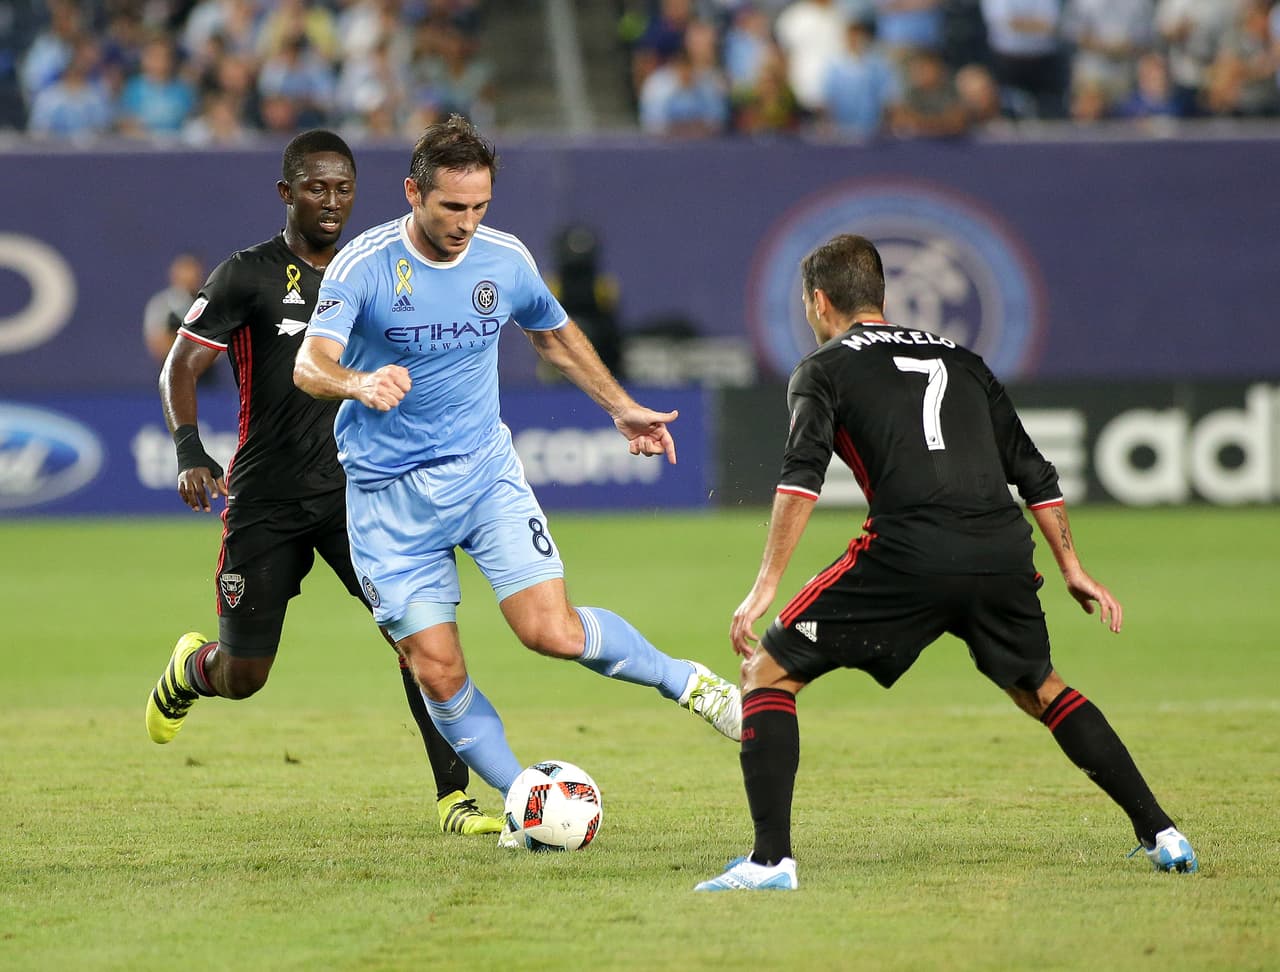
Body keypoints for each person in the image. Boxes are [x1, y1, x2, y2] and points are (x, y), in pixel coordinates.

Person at [695, 234, 1197, 891]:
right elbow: (1035, 472)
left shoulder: (822, 368)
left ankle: (770, 863)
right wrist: (1072, 567)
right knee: (1040, 687)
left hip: (911, 551)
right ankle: (1163, 833)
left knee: (767, 672)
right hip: (1000, 549)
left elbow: (800, 478)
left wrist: (765, 586)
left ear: (818, 302)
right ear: (880, 295)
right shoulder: (963, 359)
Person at [292, 115, 742, 842]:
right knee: (436, 669)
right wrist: (357, 382)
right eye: (452, 207)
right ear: (413, 192)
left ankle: (693, 684)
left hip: (483, 477)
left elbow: (552, 332)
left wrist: (620, 407)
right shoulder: (364, 265)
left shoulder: (503, 260)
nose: (466, 223)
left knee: (550, 632)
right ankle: (525, 799)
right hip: (387, 498)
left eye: (480, 207)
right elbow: (309, 363)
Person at [144, 129, 501, 837]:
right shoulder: (246, 275)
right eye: (316, 188)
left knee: (420, 643)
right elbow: (179, 365)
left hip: (362, 493)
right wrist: (189, 449)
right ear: (287, 193)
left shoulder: (382, 267)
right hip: (267, 496)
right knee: (245, 675)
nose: (331, 201)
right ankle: (192, 670)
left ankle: (455, 800)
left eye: (343, 188)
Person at [143, 251, 207, 369]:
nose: (189, 276)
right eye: (185, 270)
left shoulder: (209, 302)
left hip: (207, 374)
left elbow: (219, 344)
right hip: (171, 372)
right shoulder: (162, 304)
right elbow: (158, 343)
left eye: (193, 270)